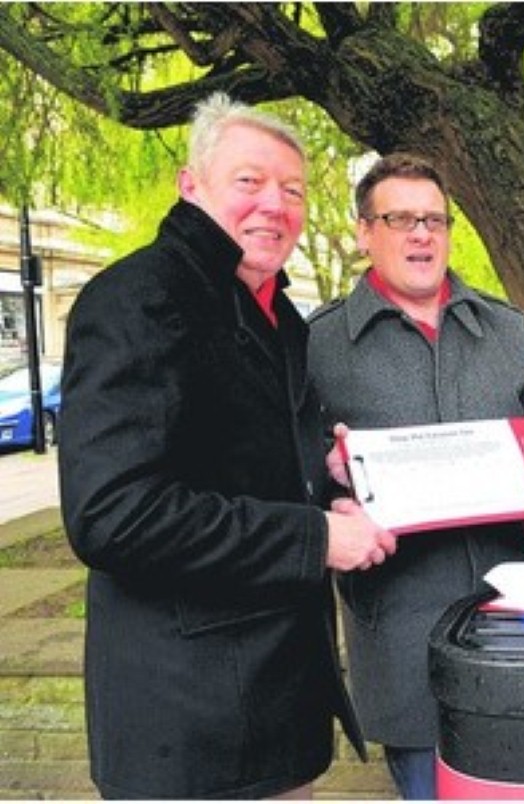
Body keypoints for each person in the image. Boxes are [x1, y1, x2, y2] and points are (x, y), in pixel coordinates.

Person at [57, 93, 396, 800]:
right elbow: (114, 513)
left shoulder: (274, 312)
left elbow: (237, 457)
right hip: (190, 727)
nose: (274, 204)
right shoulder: (141, 299)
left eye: (293, 190)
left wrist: (326, 473)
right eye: (249, 181)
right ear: (191, 185)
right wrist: (315, 537)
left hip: (268, 710)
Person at [307, 152, 524, 800]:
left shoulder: (506, 329)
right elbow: (282, 471)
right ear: (365, 231)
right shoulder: (318, 343)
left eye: (434, 219)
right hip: (400, 635)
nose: (421, 234)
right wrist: (329, 478)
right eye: (400, 219)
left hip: (511, 620)